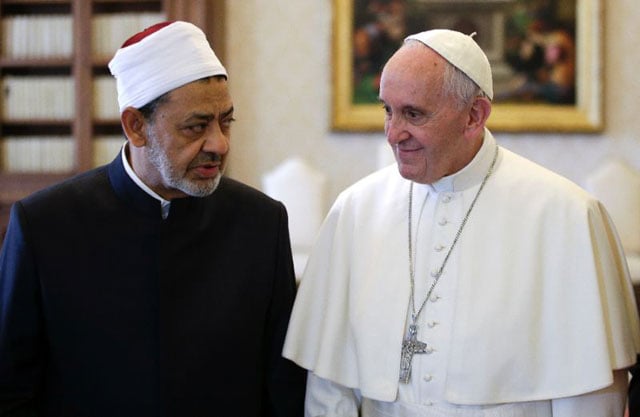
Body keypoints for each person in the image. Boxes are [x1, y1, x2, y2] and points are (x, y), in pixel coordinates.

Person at [283, 29, 640, 416]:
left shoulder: (567, 215)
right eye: (387, 109)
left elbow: (588, 394)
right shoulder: (355, 210)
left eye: (413, 114)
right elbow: (329, 386)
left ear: (474, 115)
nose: (393, 133)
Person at [0, 21, 306, 416]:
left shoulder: (261, 223)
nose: (219, 143)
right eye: (196, 126)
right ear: (136, 126)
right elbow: (10, 390)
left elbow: (283, 389)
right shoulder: (44, 226)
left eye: (225, 121)